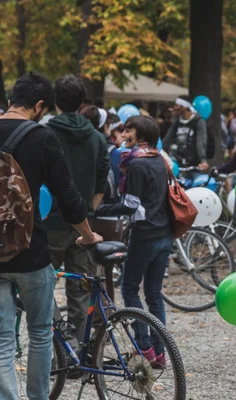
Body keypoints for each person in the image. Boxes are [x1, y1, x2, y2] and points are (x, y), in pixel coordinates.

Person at [0, 72, 102, 400]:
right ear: (40, 105)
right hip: (32, 253)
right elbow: (69, 198)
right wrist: (87, 235)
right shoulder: (41, 137)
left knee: (2, 340)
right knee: (41, 334)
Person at [95, 116, 173, 368]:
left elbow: (131, 205)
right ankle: (160, 354)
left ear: (140, 135)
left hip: (145, 236)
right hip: (165, 235)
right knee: (153, 293)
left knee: (129, 288)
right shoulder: (159, 158)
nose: (123, 134)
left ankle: (145, 348)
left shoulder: (138, 164)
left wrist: (98, 208)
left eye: (128, 130)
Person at [43, 74, 109, 353]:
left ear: (54, 102)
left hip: (51, 222)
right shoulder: (97, 137)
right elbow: (101, 181)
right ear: (82, 103)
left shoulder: (45, 134)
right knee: (81, 291)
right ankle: (80, 351)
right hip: (84, 224)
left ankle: (62, 345)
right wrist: (88, 210)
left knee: (40, 286)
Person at [163, 95, 208, 172]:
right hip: (177, 163)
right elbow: (167, 139)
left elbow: (201, 142)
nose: (175, 108)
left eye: (177, 105)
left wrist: (203, 160)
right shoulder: (177, 122)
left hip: (193, 164)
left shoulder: (198, 122)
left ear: (184, 107)